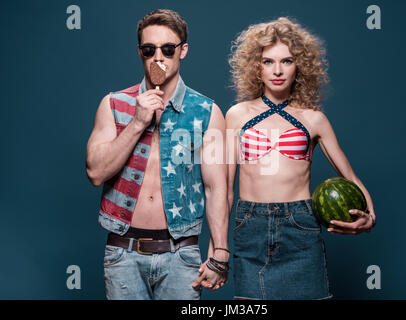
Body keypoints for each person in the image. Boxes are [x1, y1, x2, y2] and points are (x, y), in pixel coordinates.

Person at [226, 17, 376, 300]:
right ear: (255, 67)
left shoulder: (315, 120)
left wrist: (369, 216)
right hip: (250, 226)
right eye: (268, 61)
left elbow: (351, 178)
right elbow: (222, 188)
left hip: (300, 228)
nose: (278, 70)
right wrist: (218, 247)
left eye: (287, 61)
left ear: (300, 67)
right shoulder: (235, 115)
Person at [86, 9, 229, 300]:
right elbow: (95, 173)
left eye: (168, 48)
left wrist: (220, 253)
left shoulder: (207, 112)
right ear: (140, 52)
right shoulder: (114, 104)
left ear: (183, 50)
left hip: (181, 256)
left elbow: (217, 188)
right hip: (123, 254)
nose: (158, 57)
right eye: (149, 49)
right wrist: (138, 122)